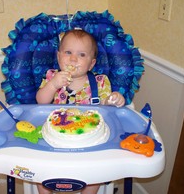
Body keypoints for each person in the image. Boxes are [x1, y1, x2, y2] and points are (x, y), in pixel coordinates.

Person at [36, 29, 125, 194]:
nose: (73, 59)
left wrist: (113, 100)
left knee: (96, 174)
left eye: (82, 55)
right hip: (55, 140)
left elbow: (107, 110)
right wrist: (53, 85)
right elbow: (40, 101)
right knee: (40, 171)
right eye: (68, 52)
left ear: (91, 63)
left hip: (89, 143)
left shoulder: (100, 82)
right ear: (58, 56)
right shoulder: (51, 77)